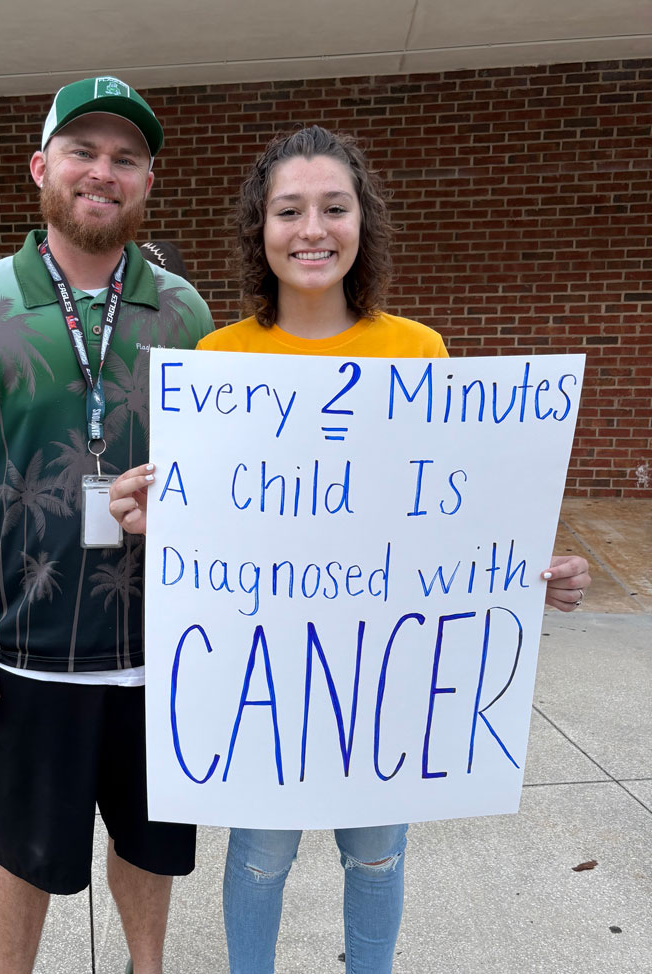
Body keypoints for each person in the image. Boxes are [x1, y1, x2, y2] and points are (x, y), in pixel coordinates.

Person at [108, 125, 592, 973]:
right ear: (260, 228)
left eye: (334, 207)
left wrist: (530, 569)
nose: (312, 230)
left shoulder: (418, 350)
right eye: (289, 210)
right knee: (260, 861)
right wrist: (151, 517)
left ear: (362, 221)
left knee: (376, 856)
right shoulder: (221, 360)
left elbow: (451, 508)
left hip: (382, 681)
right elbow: (219, 520)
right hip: (268, 676)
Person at [0, 77, 214, 974]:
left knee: (153, 847)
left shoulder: (185, 312)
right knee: (21, 849)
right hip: (23, 650)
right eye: (83, 151)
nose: (102, 172)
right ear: (43, 167)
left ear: (148, 182)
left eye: (126, 158)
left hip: (160, 645)